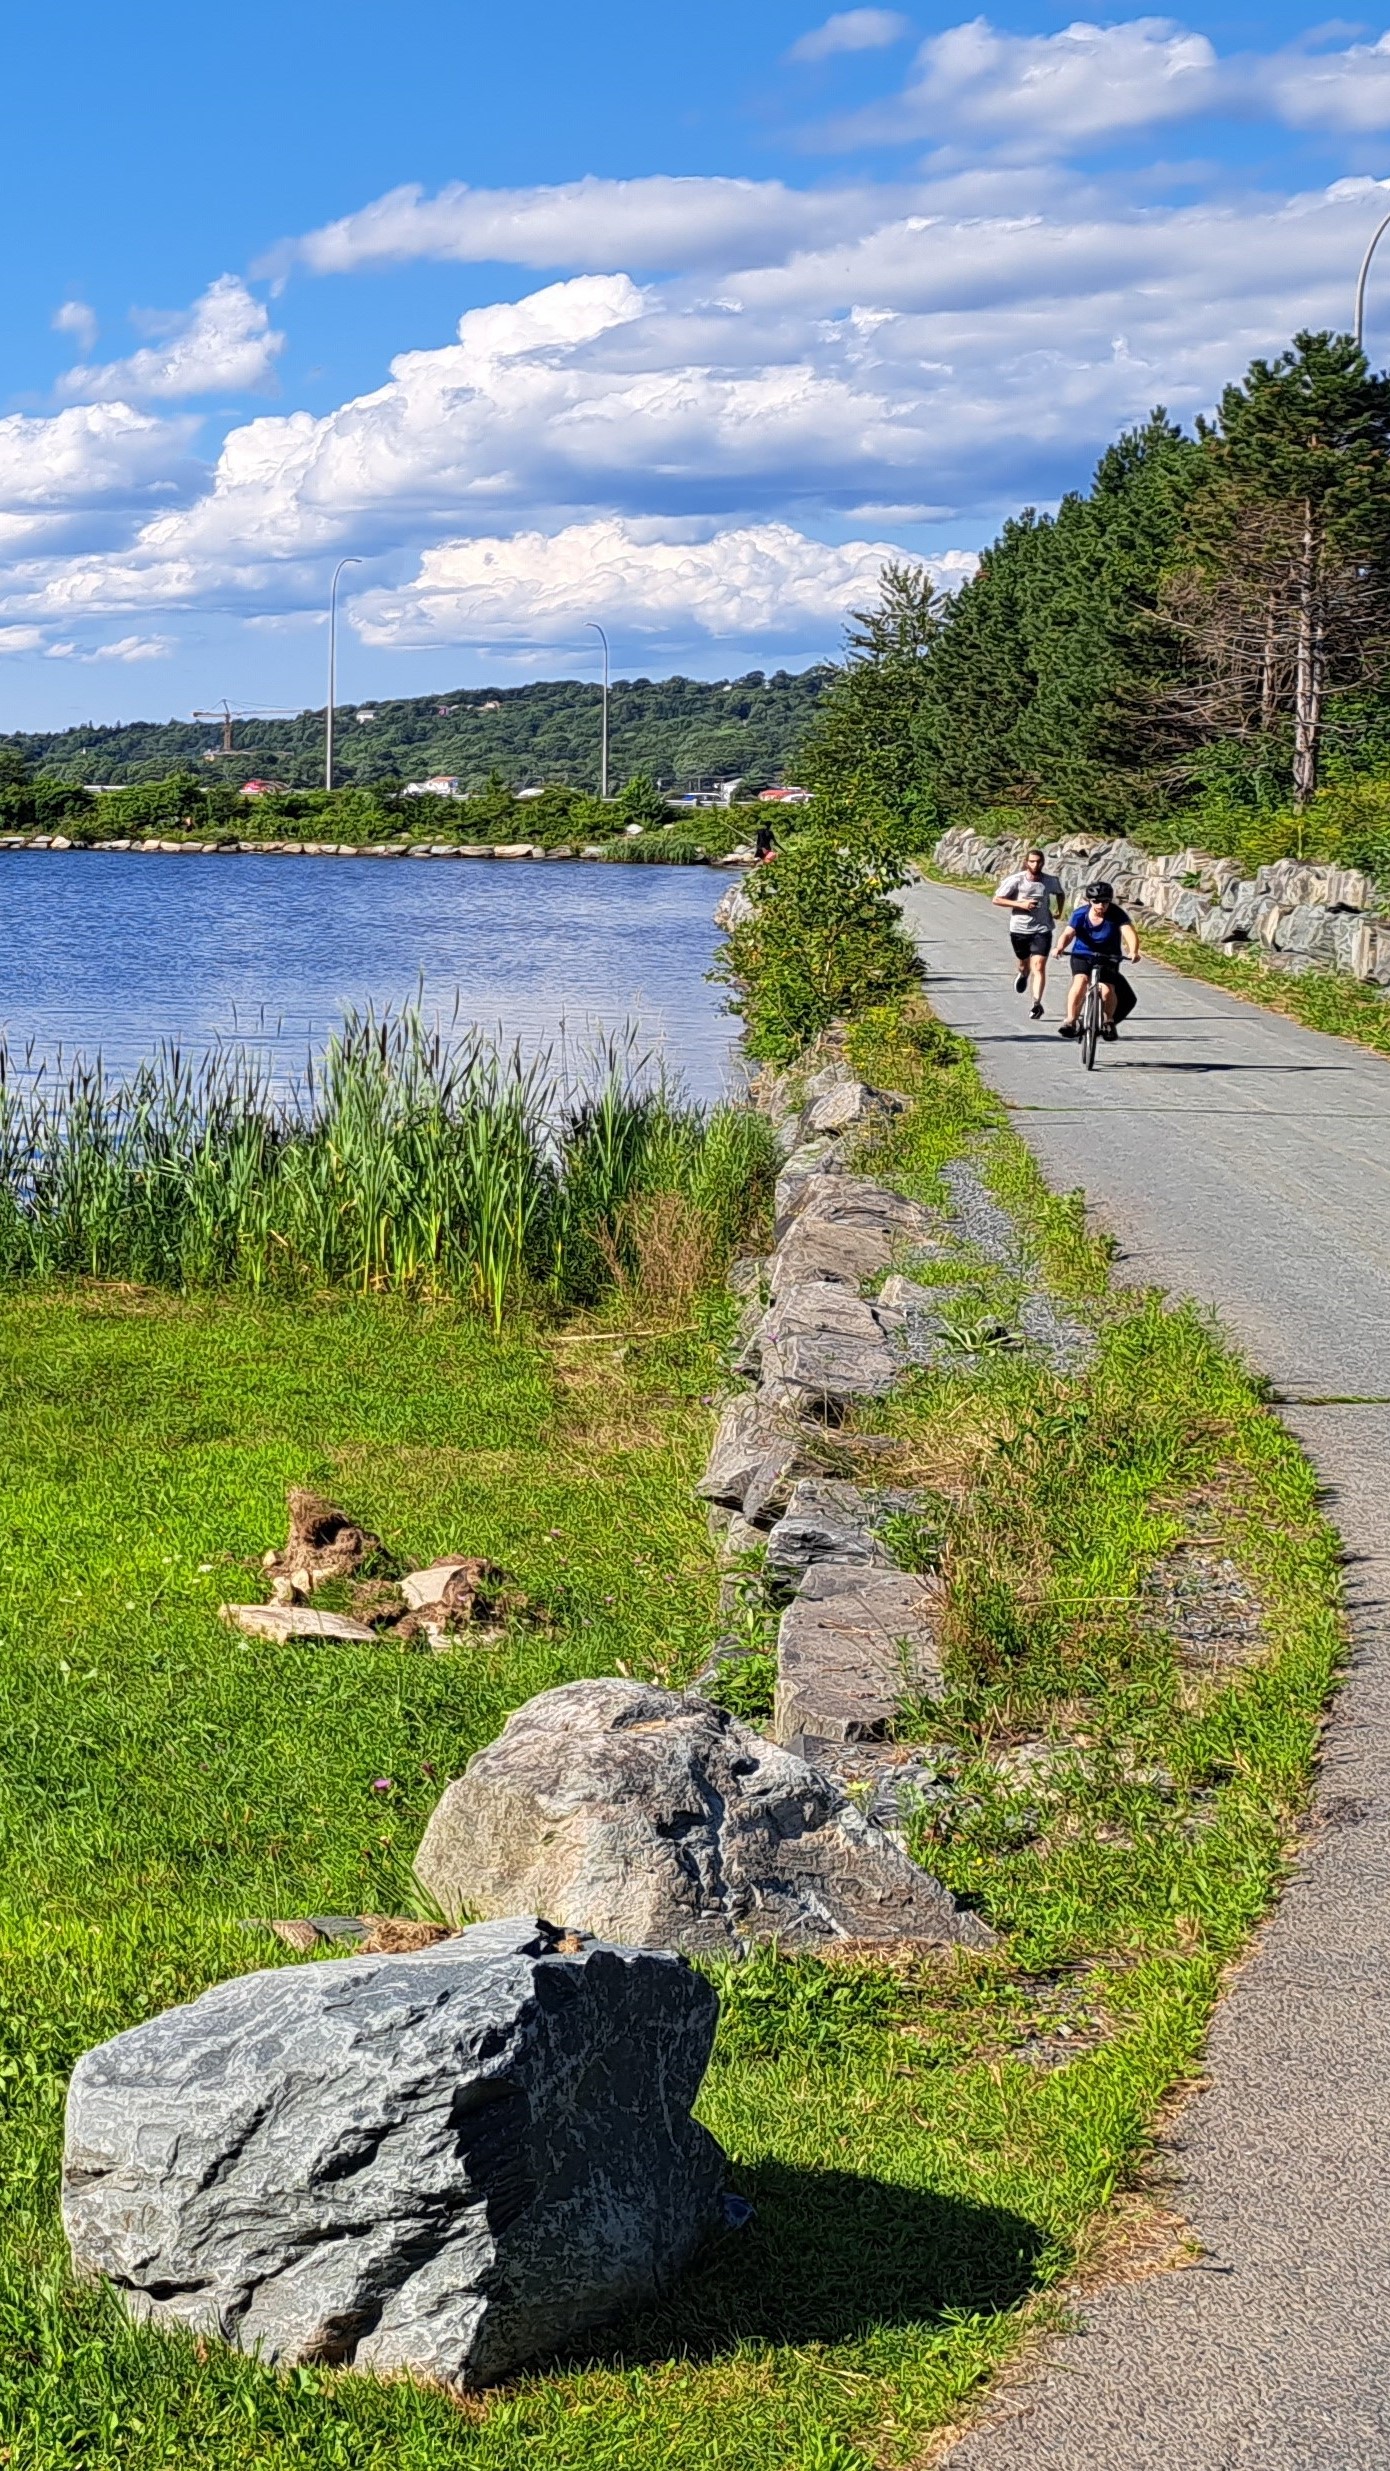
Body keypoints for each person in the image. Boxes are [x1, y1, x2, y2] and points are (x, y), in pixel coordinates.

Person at [1055, 880, 1140, 1041]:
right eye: (1096, 901)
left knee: (1107, 989)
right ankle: (1071, 1021)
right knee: (1080, 981)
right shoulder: (1080, 914)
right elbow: (1068, 933)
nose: (1101, 905)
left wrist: (1133, 950)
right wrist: (1059, 947)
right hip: (1083, 954)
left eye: (1105, 901)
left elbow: (1128, 931)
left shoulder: (1116, 914)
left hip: (1108, 957)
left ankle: (1108, 1021)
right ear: (1089, 901)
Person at [992, 846, 1064, 1020]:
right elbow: (996, 899)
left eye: (1039, 861)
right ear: (1026, 863)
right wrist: (1020, 904)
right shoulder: (1016, 880)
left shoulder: (1050, 880)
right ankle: (1023, 973)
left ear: (1043, 863)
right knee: (1025, 964)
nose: (1036, 864)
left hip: (1042, 929)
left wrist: (1058, 911)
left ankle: (1036, 1004)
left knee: (1039, 966)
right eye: (1032, 861)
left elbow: (1060, 894)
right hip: (1019, 929)